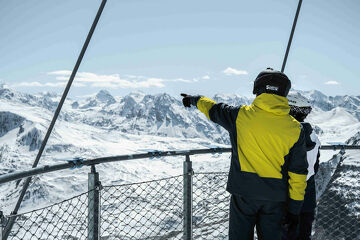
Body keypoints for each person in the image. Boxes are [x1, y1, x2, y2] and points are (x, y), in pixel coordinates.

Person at [180, 67, 308, 240]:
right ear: (285, 93)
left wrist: (194, 100)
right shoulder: (295, 128)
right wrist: (294, 210)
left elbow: (213, 109)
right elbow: (298, 173)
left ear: (257, 90)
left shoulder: (239, 115)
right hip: (275, 198)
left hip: (243, 194)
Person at [282, 93, 321, 240]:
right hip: (307, 196)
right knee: (304, 234)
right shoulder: (313, 137)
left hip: (287, 197)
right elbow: (315, 167)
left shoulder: (285, 135)